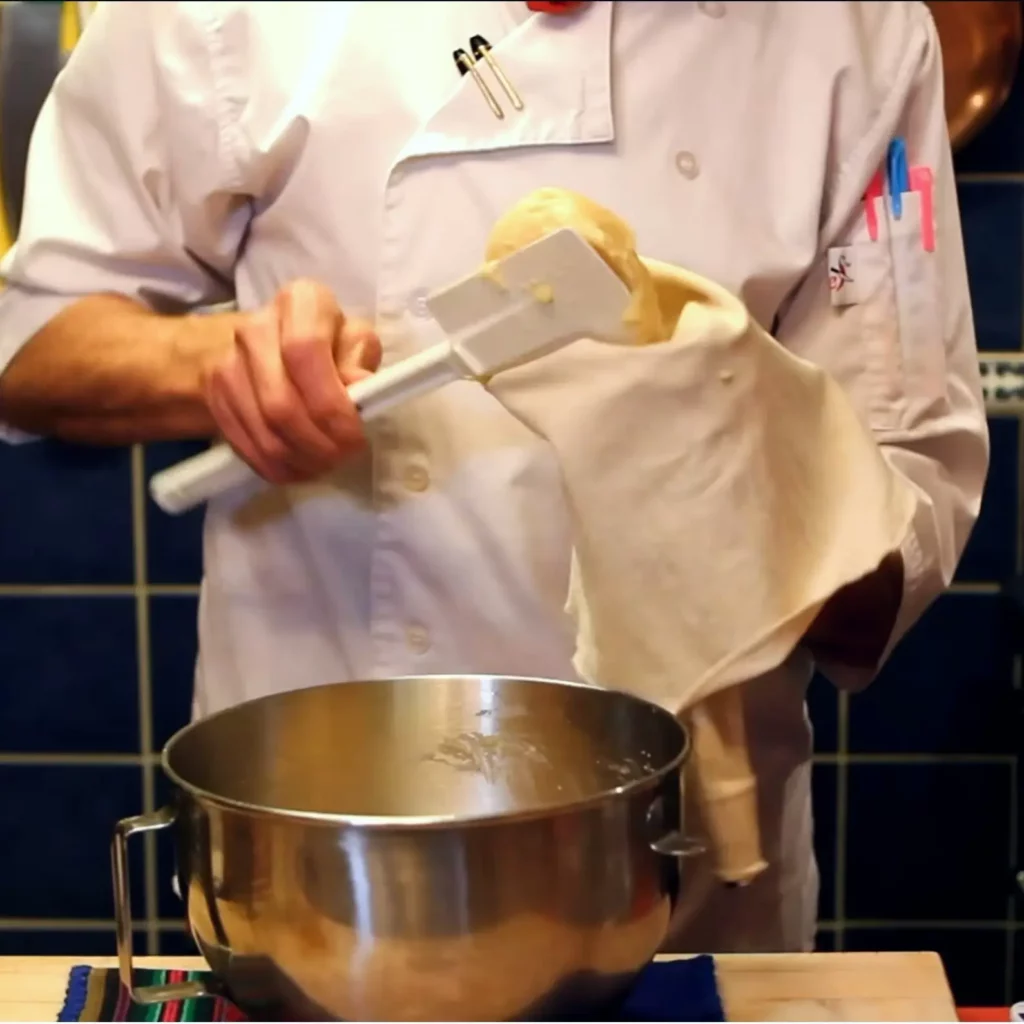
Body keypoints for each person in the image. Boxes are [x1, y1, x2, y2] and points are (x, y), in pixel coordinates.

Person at [0, 0, 988, 954]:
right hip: (322, 859)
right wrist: (222, 367)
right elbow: (28, 345)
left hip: (678, 882)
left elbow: (891, 562)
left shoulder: (855, 29)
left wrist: (722, 461)